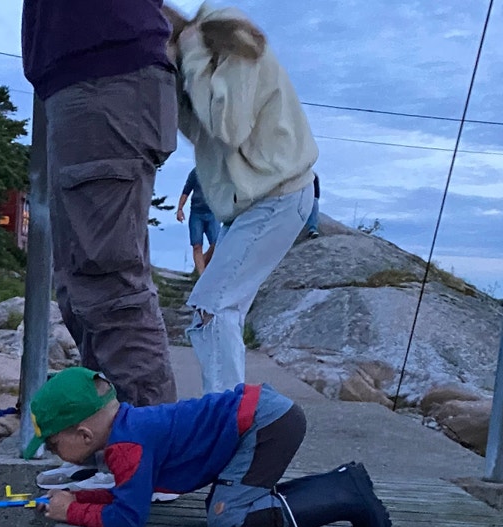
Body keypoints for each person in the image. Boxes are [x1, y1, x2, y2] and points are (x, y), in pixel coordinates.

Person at [24, 364, 393, 527]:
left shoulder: (127, 447)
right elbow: (128, 492)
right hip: (263, 416)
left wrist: (69, 511)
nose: (56, 453)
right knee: (228, 508)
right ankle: (342, 486)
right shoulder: (129, 430)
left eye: (55, 444)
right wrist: (78, 497)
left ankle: (347, 494)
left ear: (84, 433)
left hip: (263, 424)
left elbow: (129, 518)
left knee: (227, 520)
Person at [23, 0, 178, 407]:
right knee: (80, 288)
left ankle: (144, 455)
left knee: (106, 285)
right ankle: (113, 453)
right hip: (82, 80)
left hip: (104, 76)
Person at [165, 4, 318, 394]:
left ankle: (226, 418)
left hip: (277, 196)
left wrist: (193, 54)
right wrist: (180, 81)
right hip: (257, 203)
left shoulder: (231, 45)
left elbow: (228, 128)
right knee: (215, 310)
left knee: (212, 309)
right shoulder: (209, 62)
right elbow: (203, 133)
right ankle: (228, 412)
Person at [175, 167, 222, 274]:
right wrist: (180, 209)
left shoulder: (219, 171)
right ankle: (201, 275)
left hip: (213, 213)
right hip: (196, 213)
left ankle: (204, 261)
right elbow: (186, 191)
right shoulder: (196, 172)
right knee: (197, 245)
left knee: (217, 243)